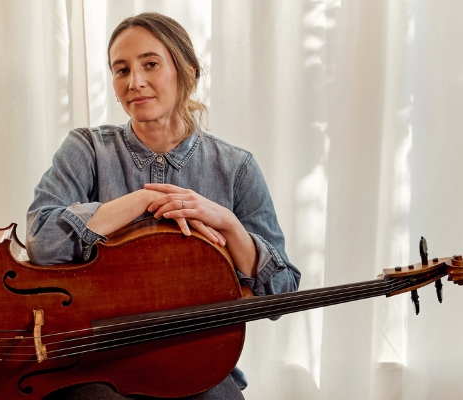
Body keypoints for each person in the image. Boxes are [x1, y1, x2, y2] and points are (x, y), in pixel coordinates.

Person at [26, 12, 300, 400]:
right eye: (121, 70)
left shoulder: (236, 167)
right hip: (94, 361)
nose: (134, 82)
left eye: (150, 64)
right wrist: (144, 199)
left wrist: (230, 226)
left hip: (194, 364)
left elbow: (281, 295)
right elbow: (42, 240)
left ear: (186, 70)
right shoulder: (86, 148)